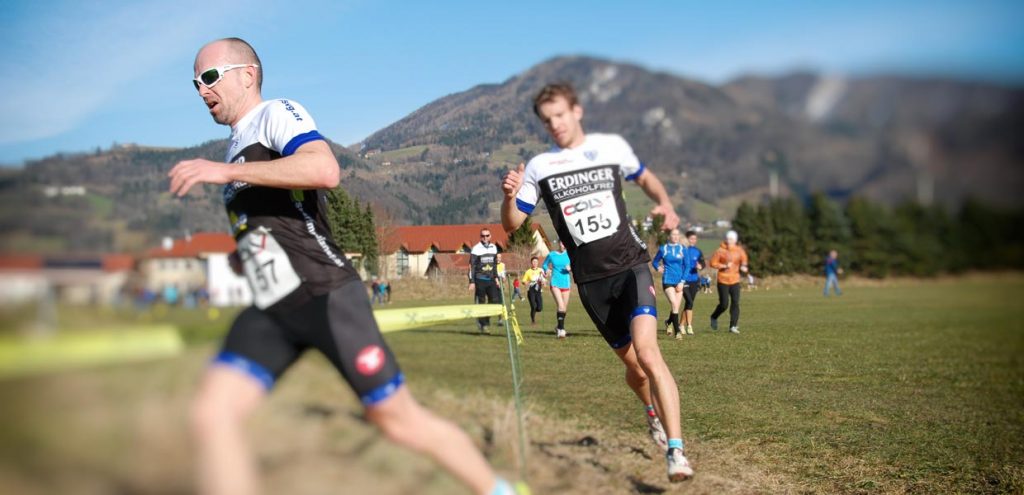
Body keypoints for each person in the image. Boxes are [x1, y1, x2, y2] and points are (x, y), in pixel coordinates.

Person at [169, 38, 513, 495]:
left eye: (210, 77)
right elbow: (276, 219)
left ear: (248, 75)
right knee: (212, 414)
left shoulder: (275, 114)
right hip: (274, 306)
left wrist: (226, 172)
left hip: (325, 295)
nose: (201, 89)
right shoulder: (235, 147)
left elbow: (324, 169)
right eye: (195, 82)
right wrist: (246, 250)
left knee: (398, 421)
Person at [501, 82, 694, 481]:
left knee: (649, 354)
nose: (555, 124)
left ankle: (676, 451)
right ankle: (651, 410)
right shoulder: (540, 167)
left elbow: (647, 178)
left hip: (631, 267)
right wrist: (508, 196)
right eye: (547, 120)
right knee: (635, 370)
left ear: (577, 111)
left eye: (560, 115)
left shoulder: (610, 147)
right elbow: (512, 223)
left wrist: (665, 202)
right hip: (591, 283)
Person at [708, 230, 749, 334]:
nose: (729, 240)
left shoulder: (739, 250)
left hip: (735, 280)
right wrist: (724, 266)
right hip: (723, 280)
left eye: (731, 239)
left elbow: (744, 260)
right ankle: (714, 317)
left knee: (735, 302)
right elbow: (712, 263)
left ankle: (733, 326)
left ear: (735, 240)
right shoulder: (720, 250)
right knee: (724, 304)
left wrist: (744, 266)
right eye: (727, 238)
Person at [651, 229, 686, 339]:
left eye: (677, 234)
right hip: (668, 280)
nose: (675, 236)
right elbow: (655, 261)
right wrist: (658, 267)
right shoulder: (663, 248)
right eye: (673, 234)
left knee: (676, 308)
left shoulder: (683, 249)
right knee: (674, 304)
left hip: (679, 281)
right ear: (669, 237)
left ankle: (668, 322)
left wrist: (682, 281)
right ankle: (677, 332)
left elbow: (688, 266)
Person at [469, 228, 501, 334]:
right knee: (481, 303)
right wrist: (472, 281)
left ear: (490, 236)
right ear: (480, 237)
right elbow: (472, 267)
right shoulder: (476, 249)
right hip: (480, 280)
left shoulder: (494, 247)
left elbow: (495, 265)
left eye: (487, 235)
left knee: (495, 301)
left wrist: (496, 278)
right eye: (483, 236)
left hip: (491, 280)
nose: (485, 238)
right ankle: (483, 325)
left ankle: (486, 320)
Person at [542, 240, 572, 339]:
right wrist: (547, 269)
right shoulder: (552, 255)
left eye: (565, 243)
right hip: (555, 283)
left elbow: (576, 266)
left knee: (564, 309)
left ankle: (558, 326)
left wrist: (570, 268)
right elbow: (544, 264)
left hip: (566, 284)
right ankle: (561, 330)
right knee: (561, 306)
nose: (563, 245)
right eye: (562, 243)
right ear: (559, 243)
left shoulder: (570, 254)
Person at [680, 230, 705, 335]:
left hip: (694, 280)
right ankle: (688, 326)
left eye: (695, 239)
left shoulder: (698, 251)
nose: (693, 240)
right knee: (689, 301)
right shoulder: (681, 249)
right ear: (686, 239)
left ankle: (681, 325)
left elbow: (703, 263)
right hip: (683, 280)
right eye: (691, 239)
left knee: (689, 303)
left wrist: (700, 266)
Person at [521, 256, 545, 325]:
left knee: (539, 308)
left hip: (538, 291)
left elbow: (543, 280)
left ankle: (534, 310)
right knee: (533, 306)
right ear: (531, 263)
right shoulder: (528, 271)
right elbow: (523, 281)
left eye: (536, 262)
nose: (535, 263)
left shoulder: (541, 270)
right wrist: (528, 282)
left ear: (538, 263)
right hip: (531, 291)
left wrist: (543, 282)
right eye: (533, 262)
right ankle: (533, 321)